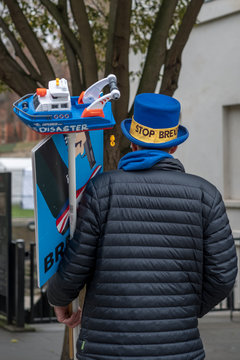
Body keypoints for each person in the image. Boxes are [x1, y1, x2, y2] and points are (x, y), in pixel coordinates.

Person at [47, 93, 238, 360]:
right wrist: (183, 310)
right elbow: (223, 275)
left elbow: (77, 262)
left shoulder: (103, 189)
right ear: (173, 147)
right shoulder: (206, 195)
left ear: (133, 143)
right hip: (178, 349)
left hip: (106, 348)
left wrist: (58, 299)